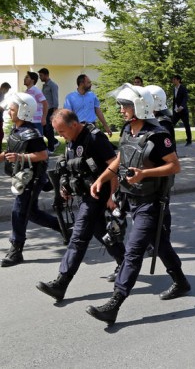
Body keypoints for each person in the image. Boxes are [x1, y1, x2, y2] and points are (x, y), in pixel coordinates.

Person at [86, 85, 190, 325]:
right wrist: (101, 179)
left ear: (140, 108)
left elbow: (175, 166)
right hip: (130, 197)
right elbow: (121, 158)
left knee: (132, 252)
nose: (121, 110)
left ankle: (115, 303)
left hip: (151, 201)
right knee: (160, 243)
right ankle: (181, 281)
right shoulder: (128, 130)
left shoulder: (158, 134)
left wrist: (144, 173)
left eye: (126, 106)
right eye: (122, 106)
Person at [35, 109, 126, 302]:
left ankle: (61, 282)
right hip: (85, 193)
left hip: (98, 194)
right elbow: (69, 165)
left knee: (78, 237)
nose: (61, 136)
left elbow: (114, 165)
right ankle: (125, 262)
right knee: (100, 231)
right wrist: (64, 187)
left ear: (74, 125)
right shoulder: (71, 139)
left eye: (62, 131)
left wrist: (111, 196)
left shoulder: (94, 138)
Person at [0, 93, 61, 267]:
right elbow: (12, 151)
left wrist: (20, 157)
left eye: (12, 110)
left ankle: (16, 250)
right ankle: (65, 230)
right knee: (32, 212)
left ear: (24, 111)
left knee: (18, 211)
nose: (8, 113)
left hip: (31, 179)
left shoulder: (31, 133)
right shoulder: (17, 130)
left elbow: (43, 155)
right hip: (23, 177)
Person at [38, 68, 60, 151]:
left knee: (49, 129)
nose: (40, 77)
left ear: (46, 75)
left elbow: (55, 98)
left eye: (41, 75)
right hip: (44, 110)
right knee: (44, 129)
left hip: (51, 110)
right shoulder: (44, 85)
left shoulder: (53, 85)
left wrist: (54, 112)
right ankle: (54, 142)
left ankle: (51, 148)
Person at [24, 71, 48, 136]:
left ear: (32, 80)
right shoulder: (26, 91)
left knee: (38, 142)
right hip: (28, 121)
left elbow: (45, 103)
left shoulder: (36, 91)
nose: (25, 79)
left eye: (27, 77)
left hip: (36, 121)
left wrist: (44, 118)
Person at [171, 75, 191, 146]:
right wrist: (174, 109)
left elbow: (185, 98)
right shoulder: (174, 89)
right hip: (176, 111)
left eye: (174, 79)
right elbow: (174, 99)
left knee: (186, 125)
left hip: (183, 111)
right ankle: (171, 140)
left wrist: (182, 106)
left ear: (178, 80)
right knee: (171, 125)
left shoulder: (183, 88)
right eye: (173, 79)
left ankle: (189, 140)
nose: (173, 81)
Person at [0, 82, 11, 149]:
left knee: (1, 134)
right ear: (3, 88)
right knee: (0, 134)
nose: (7, 92)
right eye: (7, 90)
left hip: (0, 117)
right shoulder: (1, 94)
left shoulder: (2, 95)